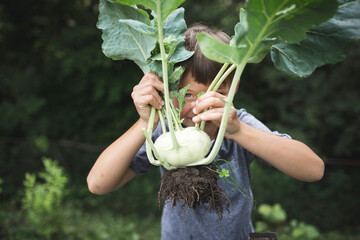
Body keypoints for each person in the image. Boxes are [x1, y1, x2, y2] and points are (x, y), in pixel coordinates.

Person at [87, 24, 324, 240]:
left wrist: (239, 132)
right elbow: (98, 184)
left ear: (233, 88)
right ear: (167, 89)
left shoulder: (235, 124)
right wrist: (144, 122)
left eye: (213, 93)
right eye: (187, 94)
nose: (197, 106)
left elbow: (313, 169)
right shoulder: (164, 129)